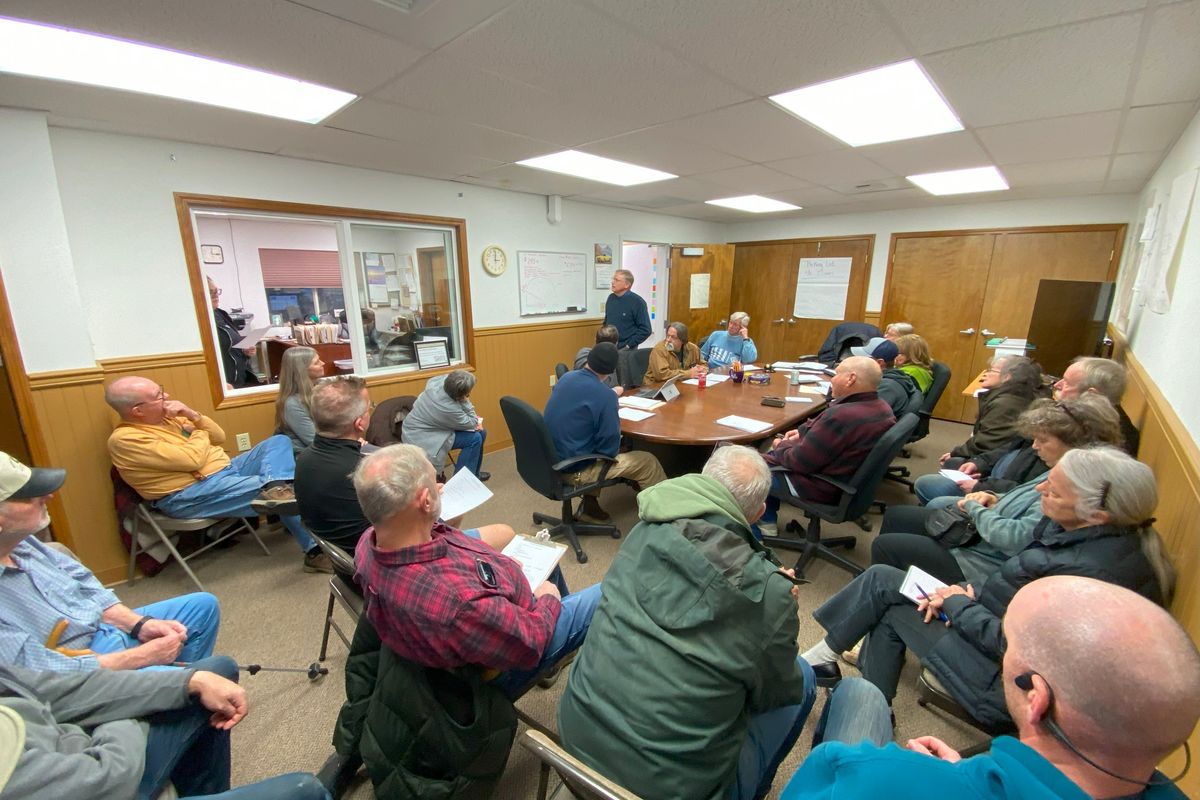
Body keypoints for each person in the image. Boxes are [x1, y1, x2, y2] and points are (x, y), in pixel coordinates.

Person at [798, 446, 1173, 727]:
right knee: (886, 585)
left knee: (887, 599)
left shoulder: (1087, 578)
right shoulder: (1080, 534)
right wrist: (969, 591)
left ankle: (847, 685)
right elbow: (1012, 581)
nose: (1041, 488)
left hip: (1007, 680)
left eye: (1055, 490)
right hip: (983, 621)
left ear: (1099, 513)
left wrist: (959, 604)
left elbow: (1016, 649)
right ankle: (848, 683)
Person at [780, 575, 1200, 800]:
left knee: (860, 695)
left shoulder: (869, 778)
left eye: (1011, 645)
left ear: (1036, 700)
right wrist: (964, 778)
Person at [559, 445, 815, 800]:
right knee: (805, 678)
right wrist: (777, 608)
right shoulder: (772, 594)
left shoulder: (645, 527)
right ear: (757, 514)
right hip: (665, 790)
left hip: (572, 747)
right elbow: (773, 693)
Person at [351, 444, 601, 698]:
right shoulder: (458, 604)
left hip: (482, 619)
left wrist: (499, 569)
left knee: (538, 550)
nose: (441, 488)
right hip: (504, 662)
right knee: (607, 591)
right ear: (425, 501)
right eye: (436, 484)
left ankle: (563, 644)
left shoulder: (369, 541)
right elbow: (530, 640)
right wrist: (548, 599)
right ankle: (560, 640)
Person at [0, 451, 220, 673]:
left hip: (100, 629)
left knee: (202, 607)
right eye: (29, 495)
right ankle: (175, 688)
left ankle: (172, 689)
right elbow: (42, 674)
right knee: (215, 674)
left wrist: (139, 624)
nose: (48, 497)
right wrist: (141, 657)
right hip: (81, 670)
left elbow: (85, 584)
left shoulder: (25, 544)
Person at [872, 395, 1122, 586]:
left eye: (1043, 440)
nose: (1035, 446)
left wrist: (974, 506)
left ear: (1075, 443)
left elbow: (1016, 539)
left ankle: (894, 597)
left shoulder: (1070, 485)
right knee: (898, 516)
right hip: (980, 531)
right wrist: (992, 497)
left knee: (887, 545)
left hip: (982, 559)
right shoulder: (1061, 467)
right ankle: (895, 588)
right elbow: (1021, 500)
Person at [0, 657, 329, 800]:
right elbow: (107, 779)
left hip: (80, 744)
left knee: (212, 675)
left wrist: (189, 681)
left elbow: (58, 690)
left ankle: (207, 792)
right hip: (103, 777)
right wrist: (123, 714)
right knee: (305, 791)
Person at [104, 376, 331, 574]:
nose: (167, 396)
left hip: (226, 470)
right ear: (137, 410)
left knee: (278, 443)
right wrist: (199, 433)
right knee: (289, 488)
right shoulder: (126, 440)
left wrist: (192, 415)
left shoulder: (170, 418)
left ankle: (276, 488)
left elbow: (219, 435)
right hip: (189, 494)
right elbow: (191, 459)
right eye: (158, 395)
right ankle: (313, 551)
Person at [295, 377, 513, 581]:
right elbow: (419, 527)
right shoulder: (368, 472)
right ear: (360, 424)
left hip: (349, 565)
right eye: (369, 407)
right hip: (392, 568)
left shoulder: (304, 460)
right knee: (504, 533)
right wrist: (430, 497)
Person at [758, 356, 894, 535]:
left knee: (749, 468)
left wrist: (780, 444)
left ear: (851, 378)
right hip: (845, 480)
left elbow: (798, 461)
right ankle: (766, 519)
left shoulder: (842, 416)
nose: (832, 380)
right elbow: (831, 432)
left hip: (819, 485)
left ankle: (760, 527)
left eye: (836, 374)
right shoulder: (881, 408)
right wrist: (802, 432)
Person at [913, 393, 1120, 506]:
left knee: (934, 501)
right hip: (993, 485)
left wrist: (980, 487)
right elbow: (1007, 448)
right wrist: (981, 463)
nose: (1035, 445)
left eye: (1041, 440)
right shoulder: (1051, 433)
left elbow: (1022, 496)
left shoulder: (1064, 469)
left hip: (994, 496)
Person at [544, 343, 667, 523]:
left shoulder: (567, 378)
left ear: (588, 360)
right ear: (610, 371)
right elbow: (608, 451)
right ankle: (664, 518)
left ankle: (590, 508)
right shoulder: (605, 396)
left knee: (595, 442)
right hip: (572, 469)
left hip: (551, 459)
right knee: (648, 462)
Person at [942, 355, 1042, 461]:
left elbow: (986, 442)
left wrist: (955, 453)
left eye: (991, 371)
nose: (985, 374)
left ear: (1007, 377)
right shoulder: (1016, 395)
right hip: (999, 456)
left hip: (993, 461)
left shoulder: (1005, 405)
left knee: (952, 462)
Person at [401, 369, 489, 481]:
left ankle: (473, 475)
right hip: (422, 435)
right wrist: (465, 399)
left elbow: (470, 422)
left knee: (482, 432)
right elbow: (472, 421)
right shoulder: (447, 407)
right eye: (467, 394)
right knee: (474, 439)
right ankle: (461, 483)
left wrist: (463, 397)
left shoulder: (438, 382)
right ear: (459, 396)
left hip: (434, 425)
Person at [1053, 355, 1140, 455]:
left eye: (1067, 383)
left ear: (1091, 394)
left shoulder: (1104, 439)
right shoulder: (1086, 416)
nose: (1057, 385)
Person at [207, 278, 259, 390]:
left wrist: (244, 351)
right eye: (211, 292)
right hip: (226, 383)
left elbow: (230, 344)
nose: (216, 295)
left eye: (217, 291)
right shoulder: (203, 320)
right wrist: (221, 383)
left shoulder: (221, 314)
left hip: (241, 378)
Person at [851, 337, 921, 418]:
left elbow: (864, 416)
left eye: (863, 358)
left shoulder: (886, 387)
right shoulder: (889, 378)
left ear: (879, 363)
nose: (857, 360)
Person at [274, 346, 323, 454]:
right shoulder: (291, 404)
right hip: (304, 455)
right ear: (302, 370)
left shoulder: (322, 389)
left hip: (327, 447)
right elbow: (314, 440)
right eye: (316, 362)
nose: (323, 363)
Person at [602, 269, 650, 350]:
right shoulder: (611, 298)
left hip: (627, 350)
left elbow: (646, 330)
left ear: (627, 285)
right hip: (608, 347)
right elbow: (606, 322)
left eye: (616, 280)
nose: (612, 282)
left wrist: (629, 345)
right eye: (613, 279)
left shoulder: (637, 302)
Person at [573, 324, 622, 393]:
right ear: (616, 344)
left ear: (595, 339)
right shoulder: (609, 362)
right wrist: (616, 391)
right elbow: (603, 389)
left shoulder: (582, 352)